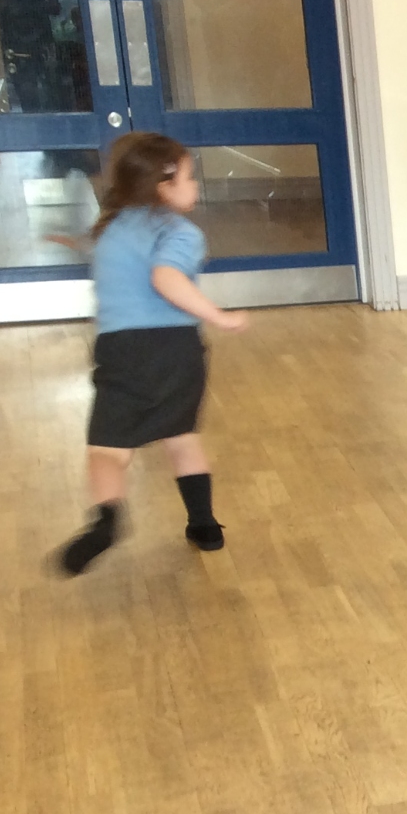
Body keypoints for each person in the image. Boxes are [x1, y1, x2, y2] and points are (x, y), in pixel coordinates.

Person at [56, 132, 248, 576]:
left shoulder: (110, 227)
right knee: (182, 438)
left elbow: (101, 251)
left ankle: (106, 520)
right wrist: (218, 316)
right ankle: (204, 526)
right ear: (163, 186)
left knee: (108, 452)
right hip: (176, 349)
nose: (195, 186)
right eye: (189, 178)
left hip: (121, 350)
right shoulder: (180, 233)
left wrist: (66, 241)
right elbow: (166, 278)